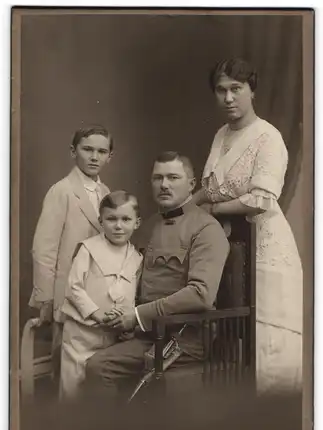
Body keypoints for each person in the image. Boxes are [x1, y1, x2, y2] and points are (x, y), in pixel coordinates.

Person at [192, 58, 303, 394]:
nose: (228, 98)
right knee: (230, 333)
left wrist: (209, 208)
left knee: (266, 338)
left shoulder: (268, 137)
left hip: (262, 241)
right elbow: (211, 188)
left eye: (236, 89)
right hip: (229, 244)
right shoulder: (221, 134)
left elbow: (262, 199)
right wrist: (185, 205)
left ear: (252, 90)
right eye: (221, 90)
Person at [85, 151, 229, 396]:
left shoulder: (206, 229)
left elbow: (201, 294)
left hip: (184, 339)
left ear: (191, 185)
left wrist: (139, 315)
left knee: (100, 367)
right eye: (157, 178)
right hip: (145, 334)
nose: (164, 185)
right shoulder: (148, 225)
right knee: (90, 359)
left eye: (173, 177)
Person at [29, 125, 112, 376]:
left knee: (92, 363)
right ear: (73, 151)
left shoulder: (107, 193)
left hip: (96, 293)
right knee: (64, 364)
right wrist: (45, 299)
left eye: (101, 151)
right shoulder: (62, 191)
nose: (94, 157)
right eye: (87, 149)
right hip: (66, 293)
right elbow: (44, 249)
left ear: (110, 156)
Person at [59, 191, 143, 399]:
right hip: (82, 334)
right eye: (111, 219)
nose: (118, 226)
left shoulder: (137, 257)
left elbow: (133, 294)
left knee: (100, 387)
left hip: (113, 335)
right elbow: (73, 287)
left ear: (137, 223)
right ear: (100, 221)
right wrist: (96, 313)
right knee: (74, 387)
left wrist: (124, 317)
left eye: (125, 219)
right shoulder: (88, 249)